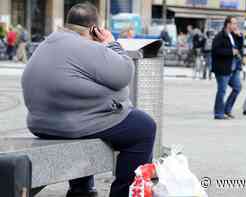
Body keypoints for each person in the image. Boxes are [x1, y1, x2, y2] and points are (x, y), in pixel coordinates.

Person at [21, 3, 156, 197]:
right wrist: (111, 43)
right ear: (94, 28)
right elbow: (124, 73)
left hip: (41, 123)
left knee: (85, 114)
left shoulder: (47, 44)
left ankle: (81, 190)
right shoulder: (85, 46)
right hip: (70, 124)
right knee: (144, 127)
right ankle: (123, 193)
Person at [211, 16, 243, 120]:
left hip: (233, 68)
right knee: (222, 90)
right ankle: (218, 113)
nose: (236, 26)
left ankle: (227, 109)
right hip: (222, 68)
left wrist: (239, 37)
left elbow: (239, 48)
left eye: (236, 24)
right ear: (228, 24)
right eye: (234, 23)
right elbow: (216, 51)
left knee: (237, 87)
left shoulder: (233, 35)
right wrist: (230, 52)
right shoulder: (220, 36)